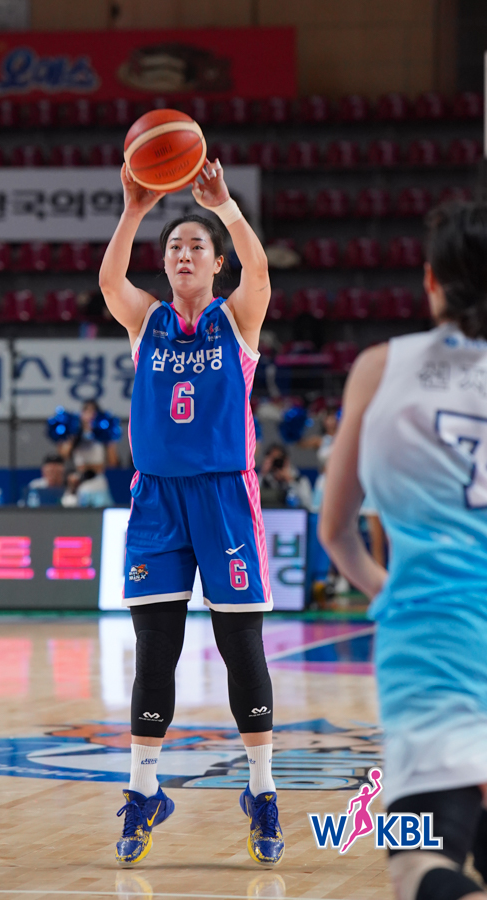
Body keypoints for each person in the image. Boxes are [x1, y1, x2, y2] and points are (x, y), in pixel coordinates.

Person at [99, 159, 283, 867]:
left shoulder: (236, 318)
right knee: (155, 651)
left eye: (196, 246)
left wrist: (225, 206)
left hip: (224, 497)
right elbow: (110, 282)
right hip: (156, 501)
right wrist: (133, 208)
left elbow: (260, 274)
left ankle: (262, 791)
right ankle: (144, 791)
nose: (183, 254)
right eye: (175, 246)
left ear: (215, 262)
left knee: (241, 647)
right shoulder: (145, 320)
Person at [319, 201, 487, 900]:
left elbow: (336, 530)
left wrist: (392, 592)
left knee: (417, 861)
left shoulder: (379, 368)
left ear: (431, 281)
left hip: (432, 637)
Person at [57, 401, 119, 474]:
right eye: (86, 410)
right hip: (79, 475)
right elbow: (64, 456)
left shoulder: (104, 434)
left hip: (98, 475)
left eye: (93, 411)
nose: (89, 414)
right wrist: (71, 438)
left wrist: (109, 440)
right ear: (81, 414)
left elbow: (113, 462)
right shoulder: (74, 433)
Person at [259, 445, 312, 509]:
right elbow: (252, 498)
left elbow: (307, 504)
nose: (277, 463)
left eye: (280, 459)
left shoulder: (300, 481)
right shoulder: (263, 480)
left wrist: (290, 481)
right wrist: (263, 473)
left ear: (286, 460)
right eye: (274, 460)